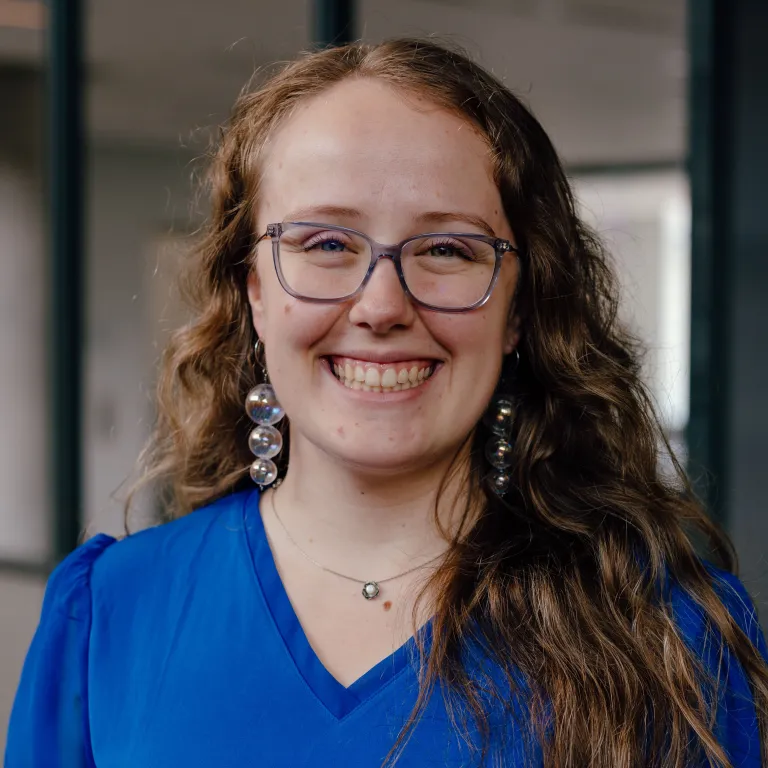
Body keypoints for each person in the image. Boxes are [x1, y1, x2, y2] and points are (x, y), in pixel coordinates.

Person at [6, 38, 768, 768]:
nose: (381, 305)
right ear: (255, 292)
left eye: (446, 250)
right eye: (327, 244)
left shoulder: (668, 633)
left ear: (521, 310)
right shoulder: (108, 614)